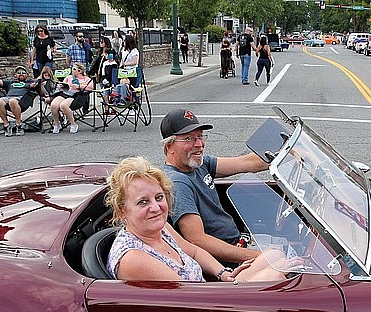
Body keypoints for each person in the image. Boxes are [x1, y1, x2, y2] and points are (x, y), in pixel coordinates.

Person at [103, 157, 289, 283]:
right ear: (122, 211)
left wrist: (224, 274)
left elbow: (194, 252)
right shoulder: (133, 258)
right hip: (202, 310)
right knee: (274, 275)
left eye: (159, 198)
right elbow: (190, 298)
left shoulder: (160, 228)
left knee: (275, 255)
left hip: (208, 290)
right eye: (143, 202)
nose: (155, 208)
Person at [160, 108, 270, 264]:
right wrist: (257, 256)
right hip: (227, 260)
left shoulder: (198, 165)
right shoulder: (178, 183)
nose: (199, 144)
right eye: (188, 139)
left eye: (200, 136)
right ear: (169, 146)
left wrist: (288, 153)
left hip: (240, 242)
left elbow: (245, 162)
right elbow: (198, 240)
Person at [0, 66, 40, 136]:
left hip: (22, 101)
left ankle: (19, 125)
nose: (21, 74)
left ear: (27, 75)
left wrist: (35, 85)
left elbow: (40, 81)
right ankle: (6, 125)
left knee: (12, 101)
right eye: (19, 73)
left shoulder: (30, 82)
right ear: (15, 75)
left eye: (23, 72)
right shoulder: (10, 82)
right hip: (8, 99)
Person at [48, 62, 94, 133]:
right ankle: (57, 124)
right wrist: (61, 86)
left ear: (80, 71)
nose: (72, 70)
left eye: (74, 69)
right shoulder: (69, 77)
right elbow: (63, 85)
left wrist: (79, 86)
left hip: (76, 96)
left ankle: (73, 124)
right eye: (72, 69)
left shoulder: (86, 79)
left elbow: (91, 88)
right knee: (53, 105)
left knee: (63, 105)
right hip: (65, 93)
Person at [112, 34, 139, 104]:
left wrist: (125, 64)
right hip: (124, 71)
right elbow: (122, 60)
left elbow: (135, 62)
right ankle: (117, 98)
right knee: (120, 84)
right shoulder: (123, 50)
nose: (123, 42)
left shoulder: (134, 51)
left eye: (124, 40)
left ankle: (124, 99)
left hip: (132, 72)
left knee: (125, 84)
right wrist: (121, 65)